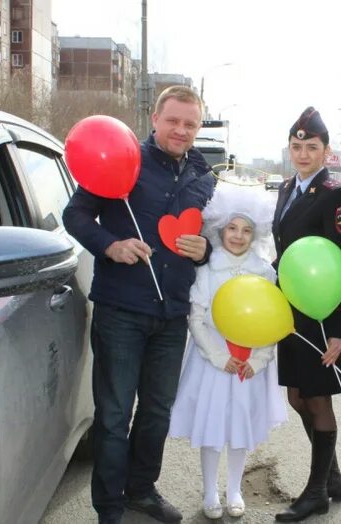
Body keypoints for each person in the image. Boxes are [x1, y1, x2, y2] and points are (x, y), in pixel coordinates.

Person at [62, 85, 216, 524]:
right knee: (112, 416)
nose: (181, 130)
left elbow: (215, 244)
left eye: (190, 124)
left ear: (198, 127)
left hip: (171, 316)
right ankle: (109, 508)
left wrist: (202, 250)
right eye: (173, 121)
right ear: (154, 117)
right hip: (120, 312)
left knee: (156, 413)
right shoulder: (123, 157)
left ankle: (142, 491)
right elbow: (75, 215)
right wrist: (110, 245)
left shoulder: (204, 176)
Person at [168, 183, 288, 520]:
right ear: (220, 229)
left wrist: (261, 358)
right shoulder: (206, 269)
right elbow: (196, 317)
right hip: (214, 362)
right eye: (232, 228)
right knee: (212, 424)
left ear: (256, 234)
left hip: (249, 364)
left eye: (247, 230)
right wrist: (218, 357)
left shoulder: (264, 272)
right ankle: (209, 490)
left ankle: (234, 487)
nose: (238, 236)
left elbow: (271, 318)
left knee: (239, 424)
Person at [272, 107, 341, 522]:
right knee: (297, 395)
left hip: (320, 312)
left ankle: (317, 491)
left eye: (312, 147)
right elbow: (284, 252)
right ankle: (333, 477)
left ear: (326, 151)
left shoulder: (334, 194)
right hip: (291, 310)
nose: (303, 154)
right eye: (297, 146)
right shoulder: (287, 189)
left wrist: (338, 328)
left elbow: (340, 262)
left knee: (317, 397)